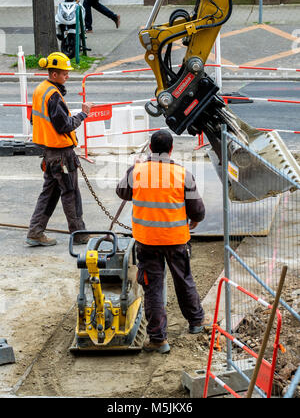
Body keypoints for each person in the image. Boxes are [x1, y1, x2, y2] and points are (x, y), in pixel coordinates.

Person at [116, 130, 209, 354]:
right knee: (184, 280)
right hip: (176, 239)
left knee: (153, 288)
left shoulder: (137, 171)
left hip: (147, 242)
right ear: (171, 149)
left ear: (150, 148)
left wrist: (134, 167)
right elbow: (198, 210)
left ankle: (158, 339)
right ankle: (196, 322)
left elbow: (122, 192)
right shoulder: (182, 174)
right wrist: (194, 219)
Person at [26, 52, 93, 247]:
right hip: (62, 155)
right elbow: (64, 125)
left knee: (49, 193)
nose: (67, 76)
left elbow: (34, 119)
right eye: (64, 74)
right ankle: (79, 233)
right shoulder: (53, 95)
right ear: (54, 74)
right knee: (70, 193)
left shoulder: (41, 89)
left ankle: (35, 231)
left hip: (49, 153)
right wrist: (84, 114)